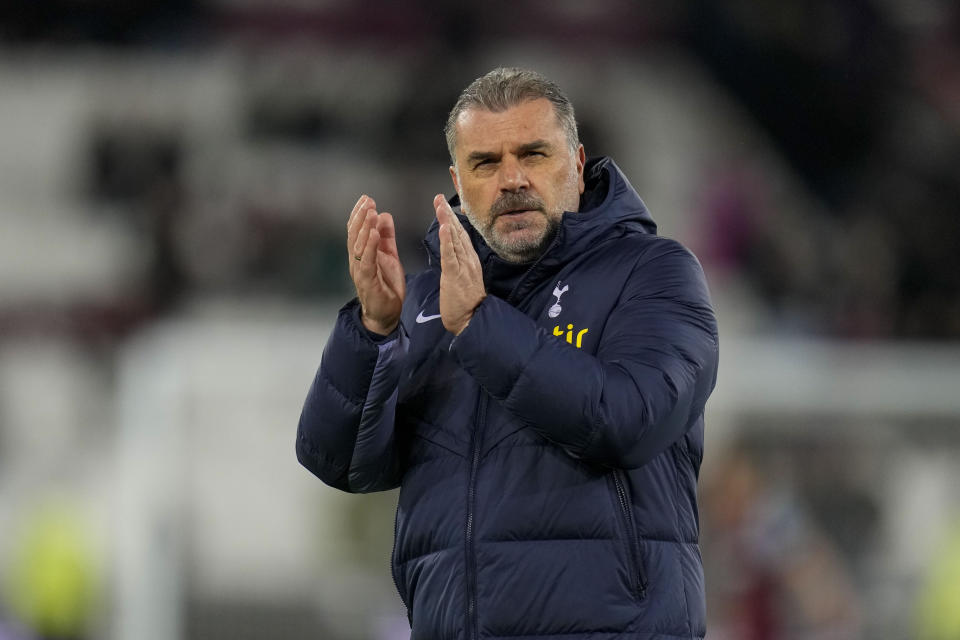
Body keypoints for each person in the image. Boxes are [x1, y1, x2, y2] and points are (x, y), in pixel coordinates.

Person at [297, 67, 719, 640]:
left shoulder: (654, 273)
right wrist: (372, 329)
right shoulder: (427, 302)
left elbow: (631, 419)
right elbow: (340, 462)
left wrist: (480, 327)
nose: (512, 179)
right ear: (457, 180)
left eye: (534, 154)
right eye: (486, 162)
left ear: (576, 161)